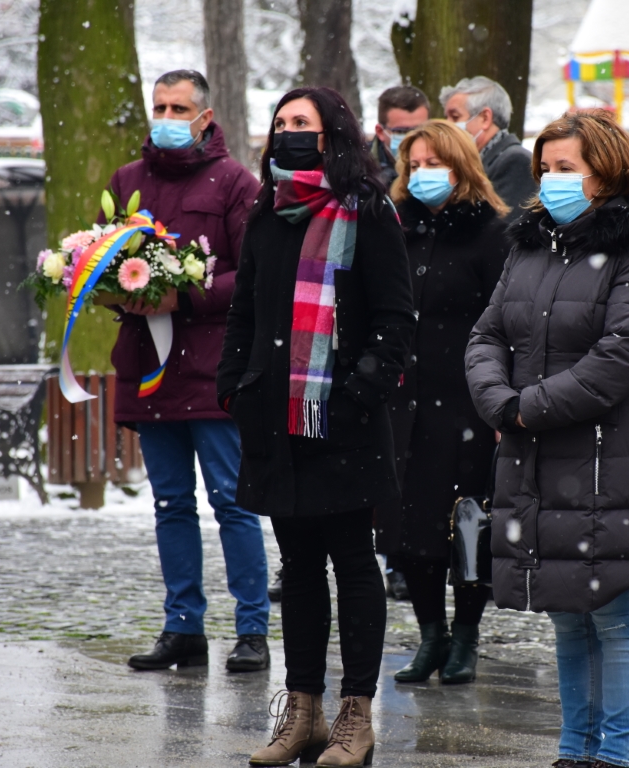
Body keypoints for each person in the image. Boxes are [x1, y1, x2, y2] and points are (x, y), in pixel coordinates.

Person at [466, 109, 629, 768]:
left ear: (605, 173)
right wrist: (499, 400)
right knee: (566, 611)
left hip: (607, 458)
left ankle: (612, 756)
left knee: (614, 614)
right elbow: (487, 335)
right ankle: (573, 750)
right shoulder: (530, 247)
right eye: (546, 169)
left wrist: (527, 408)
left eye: (567, 168)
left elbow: (622, 354)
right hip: (536, 457)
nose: (551, 180)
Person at [218, 86, 415, 768]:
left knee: (353, 564)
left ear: (332, 135)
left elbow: (395, 320)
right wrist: (235, 384)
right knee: (299, 568)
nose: (288, 133)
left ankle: (356, 715)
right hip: (276, 420)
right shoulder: (267, 211)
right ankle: (302, 711)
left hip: (344, 423)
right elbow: (244, 313)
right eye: (280, 123)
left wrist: (358, 392)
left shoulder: (368, 211)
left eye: (301, 122)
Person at [106, 70, 272, 675]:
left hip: (212, 370)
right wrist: (114, 290)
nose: (167, 118)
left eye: (179, 108)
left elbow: (254, 273)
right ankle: (183, 627)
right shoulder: (127, 181)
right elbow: (102, 260)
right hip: (149, 370)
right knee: (170, 504)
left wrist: (188, 294)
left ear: (205, 118)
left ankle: (252, 629)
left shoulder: (236, 183)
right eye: (160, 107)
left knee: (232, 502)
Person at [374, 121, 509, 685]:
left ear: (460, 167)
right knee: (409, 528)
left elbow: (507, 323)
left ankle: (466, 634)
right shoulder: (393, 227)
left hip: (467, 404)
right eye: (414, 164)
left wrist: (503, 398)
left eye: (434, 163)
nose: (421, 173)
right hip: (402, 405)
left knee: (468, 524)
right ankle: (430, 634)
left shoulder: (492, 233)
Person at [440, 76, 537, 222]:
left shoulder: (515, 161)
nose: (447, 126)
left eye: (455, 117)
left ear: (485, 118)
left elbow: (504, 227)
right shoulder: (483, 161)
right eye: (446, 118)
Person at [369, 85, 431, 188]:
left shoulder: (446, 163)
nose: (411, 138)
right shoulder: (359, 169)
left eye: (419, 130)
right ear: (380, 132)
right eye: (401, 131)